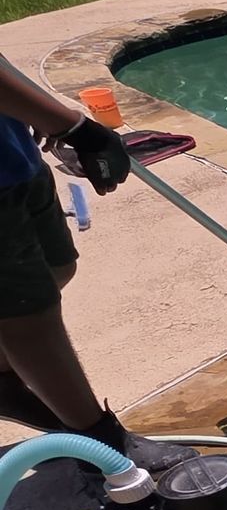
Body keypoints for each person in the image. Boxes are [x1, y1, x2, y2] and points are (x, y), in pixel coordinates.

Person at [0, 47, 159, 459]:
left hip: (12, 152)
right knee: (26, 313)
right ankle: (102, 446)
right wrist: (77, 128)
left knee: (58, 266)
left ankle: (2, 378)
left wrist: (33, 108)